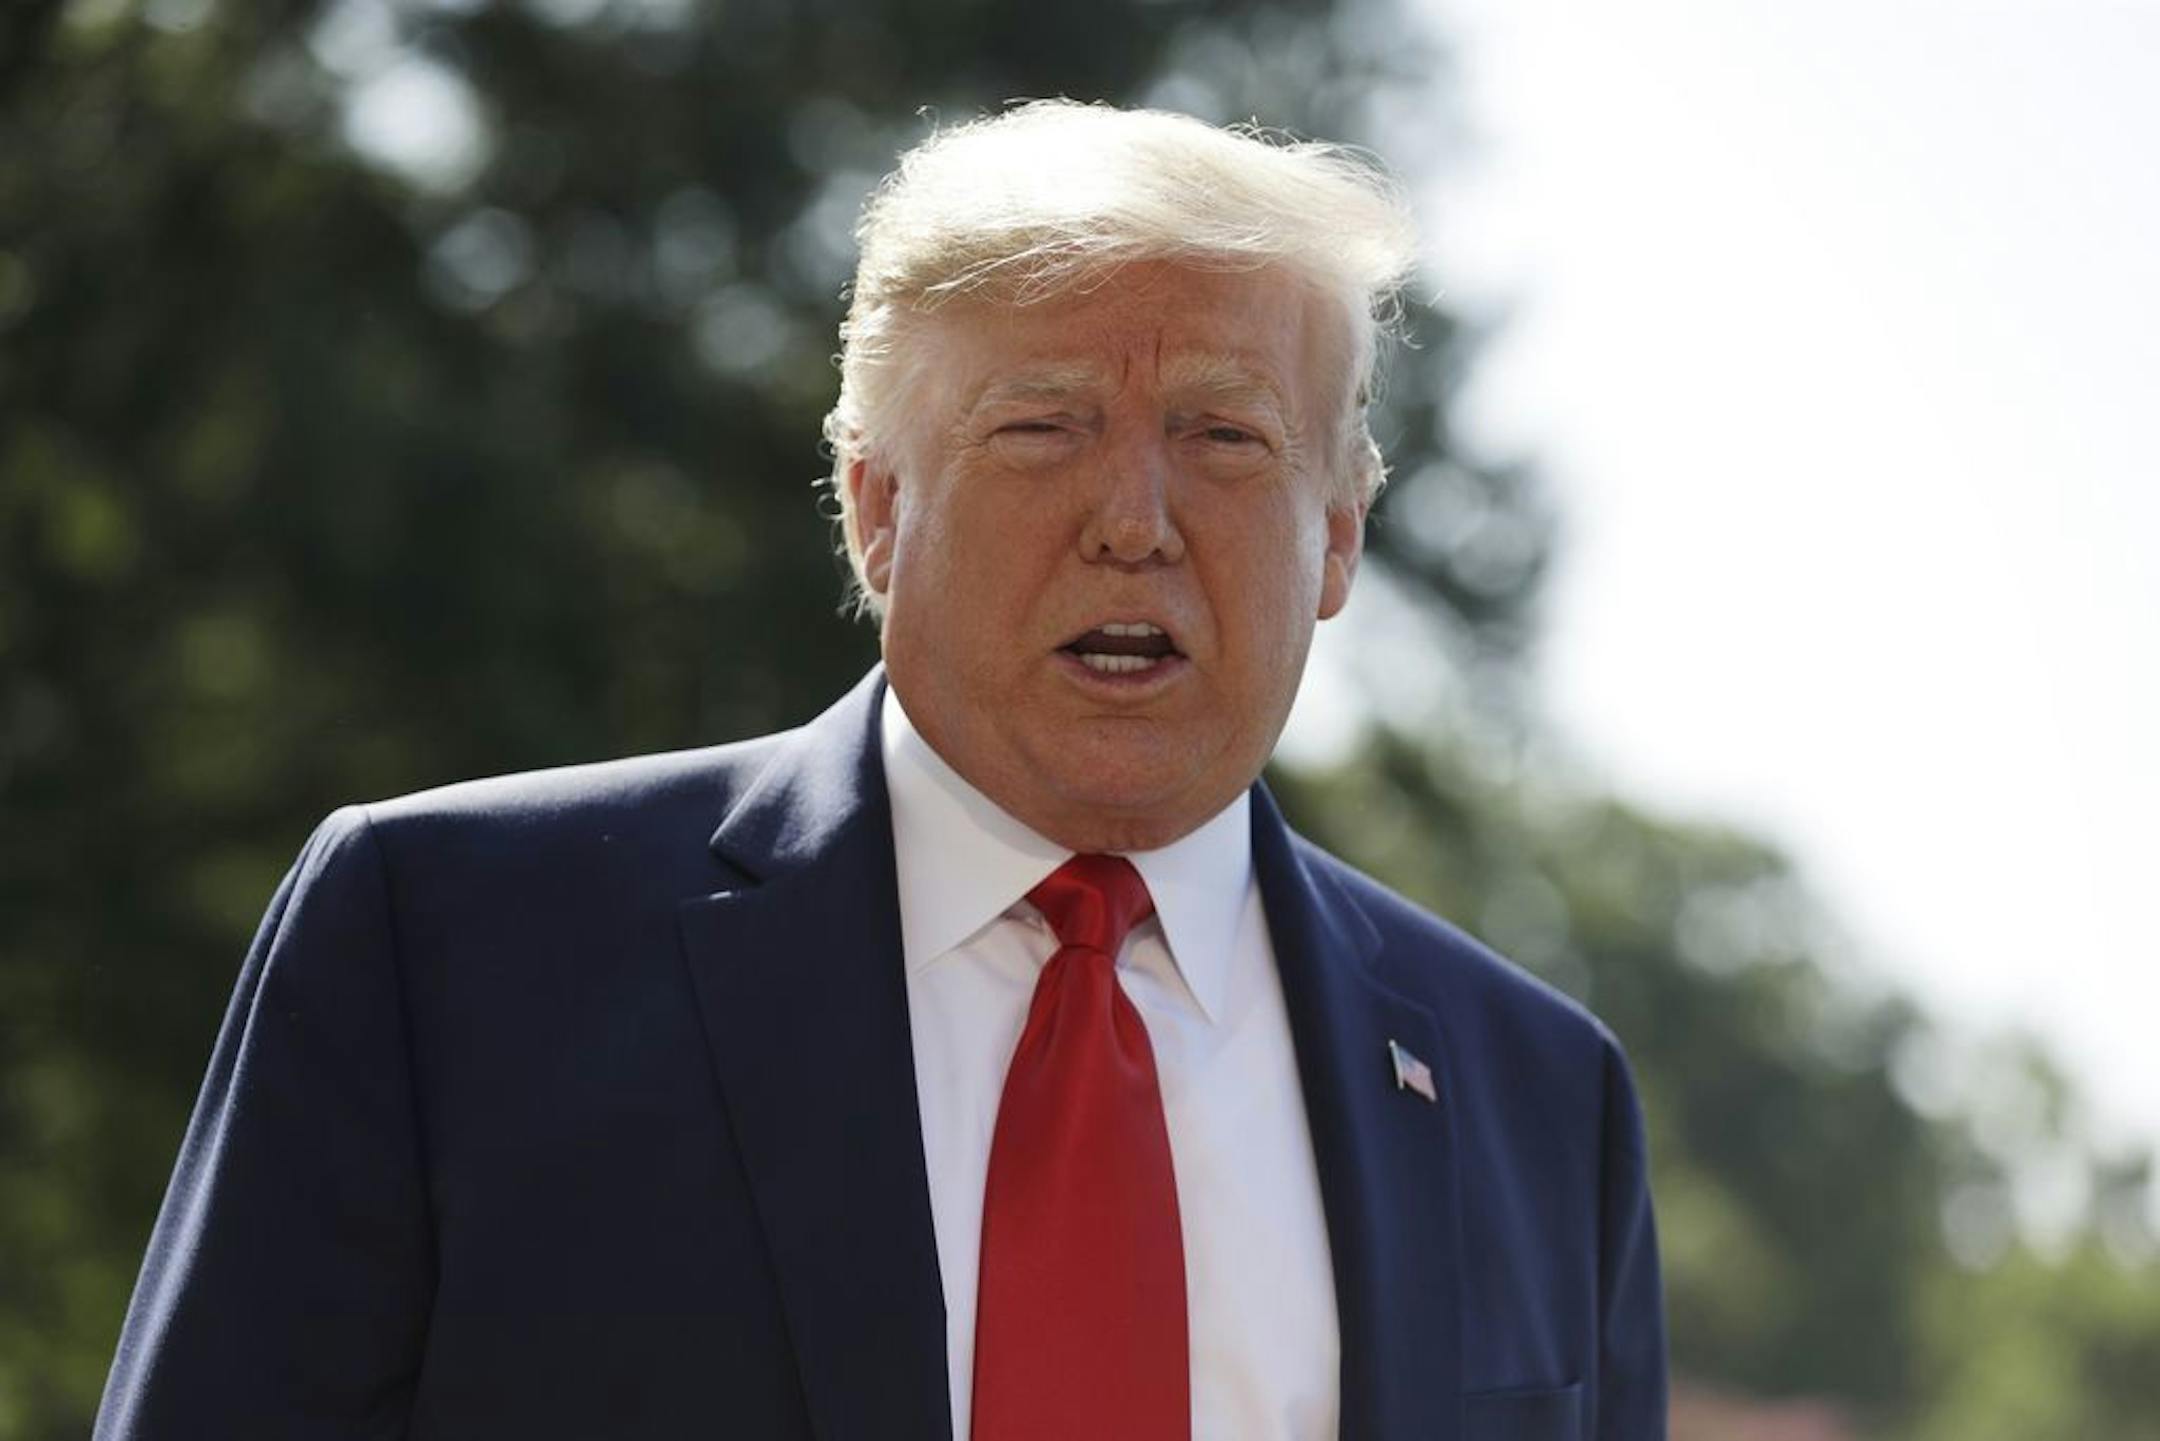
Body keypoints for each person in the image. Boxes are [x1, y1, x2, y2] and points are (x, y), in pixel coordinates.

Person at [96, 100, 1665, 1441]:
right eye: (1042, 426)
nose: (1135, 515)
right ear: (874, 506)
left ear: (1336, 535)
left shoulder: (1542, 1097)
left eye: (1226, 436)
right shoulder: (443, 951)